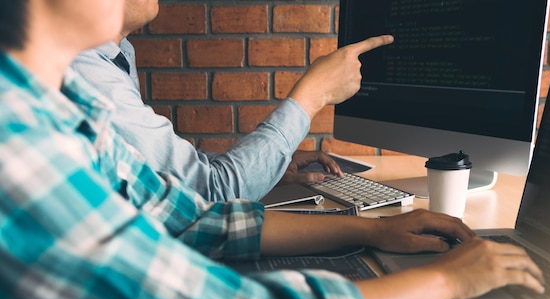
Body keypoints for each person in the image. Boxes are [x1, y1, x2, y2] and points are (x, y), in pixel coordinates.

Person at [0, 0, 545, 299]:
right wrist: (448, 281)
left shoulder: (63, 107)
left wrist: (371, 230)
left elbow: (192, 218)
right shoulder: (17, 148)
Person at [70, 0, 352, 202]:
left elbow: (163, 172)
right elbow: (210, 193)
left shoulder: (118, 55)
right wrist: (313, 95)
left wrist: (270, 167)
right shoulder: (86, 70)